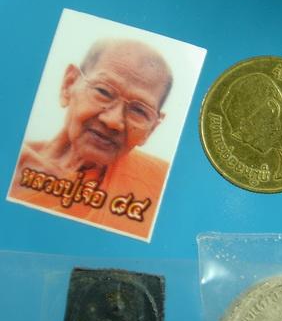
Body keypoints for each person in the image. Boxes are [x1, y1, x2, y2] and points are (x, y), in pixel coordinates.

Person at [9, 39, 173, 239]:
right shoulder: (12, 162)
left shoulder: (161, 189)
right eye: (103, 91)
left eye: (139, 110)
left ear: (152, 128)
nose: (113, 121)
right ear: (69, 84)